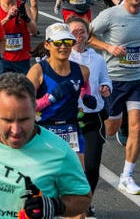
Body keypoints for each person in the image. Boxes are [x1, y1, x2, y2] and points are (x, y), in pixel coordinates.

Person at [0, 73, 91, 219]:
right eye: (7, 120)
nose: (16, 130)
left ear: (35, 109)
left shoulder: (59, 151)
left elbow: (82, 198)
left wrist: (55, 205)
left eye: (24, 120)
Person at [88, 0, 140, 195]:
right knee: (111, 128)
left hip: (138, 77)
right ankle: (85, 155)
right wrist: (108, 47)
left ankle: (126, 176)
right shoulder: (109, 15)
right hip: (113, 79)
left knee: (138, 127)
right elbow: (86, 36)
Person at [27, 23, 94, 162]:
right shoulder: (37, 71)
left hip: (71, 129)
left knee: (77, 176)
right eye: (58, 42)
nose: (63, 47)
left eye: (67, 42)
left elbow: (84, 89)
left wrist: (87, 97)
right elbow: (25, 106)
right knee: (47, 177)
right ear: (47, 45)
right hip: (44, 129)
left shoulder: (83, 71)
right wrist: (50, 98)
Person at [67, 14, 111, 218]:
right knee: (70, 166)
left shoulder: (97, 59)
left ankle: (87, 202)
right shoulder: (63, 57)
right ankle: (68, 204)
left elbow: (106, 79)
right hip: (68, 119)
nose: (78, 36)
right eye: (73, 32)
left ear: (88, 34)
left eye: (81, 31)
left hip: (94, 117)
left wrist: (105, 87)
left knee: (92, 167)